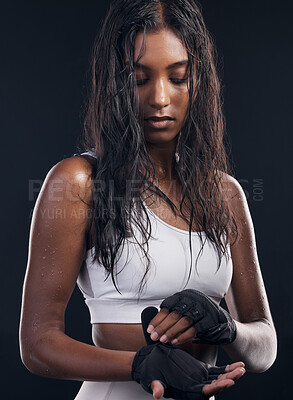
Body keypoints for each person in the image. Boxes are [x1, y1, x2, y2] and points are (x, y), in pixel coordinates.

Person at [19, 0, 277, 399]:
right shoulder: (78, 182)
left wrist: (228, 327)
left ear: (198, 82)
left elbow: (265, 347)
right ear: (114, 83)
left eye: (178, 77)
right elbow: (37, 345)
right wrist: (139, 364)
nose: (159, 98)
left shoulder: (225, 194)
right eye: (139, 79)